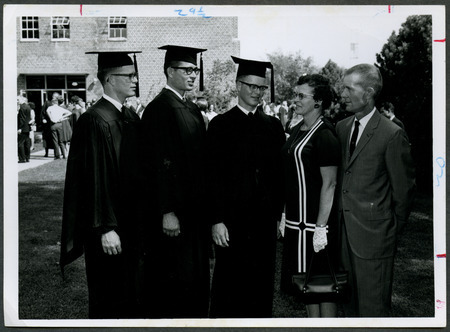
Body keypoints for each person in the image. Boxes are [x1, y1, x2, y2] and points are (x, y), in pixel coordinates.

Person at [60, 50, 143, 318]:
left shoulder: (130, 116)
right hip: (108, 230)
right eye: (129, 76)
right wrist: (105, 227)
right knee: (109, 298)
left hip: (131, 225)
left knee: (132, 295)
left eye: (134, 75)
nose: (135, 80)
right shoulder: (93, 120)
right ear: (109, 79)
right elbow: (92, 180)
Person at [207, 56, 285, 318]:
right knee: (229, 285)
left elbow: (278, 175)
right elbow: (213, 177)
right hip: (232, 222)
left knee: (261, 286)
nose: (256, 92)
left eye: (261, 88)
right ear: (238, 85)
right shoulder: (220, 125)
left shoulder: (273, 126)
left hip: (263, 221)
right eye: (251, 86)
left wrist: (278, 215)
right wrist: (216, 220)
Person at [336, 64, 415, 317]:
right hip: (343, 238)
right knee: (347, 308)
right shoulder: (342, 128)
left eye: (349, 88)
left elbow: (403, 192)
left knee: (373, 310)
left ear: (368, 92)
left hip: (375, 241)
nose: (343, 94)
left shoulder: (392, 135)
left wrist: (389, 230)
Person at [140, 45, 210, 318]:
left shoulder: (190, 108)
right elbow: (157, 164)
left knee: (194, 281)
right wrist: (167, 210)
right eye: (187, 70)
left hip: (193, 214)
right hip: (174, 216)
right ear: (170, 71)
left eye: (195, 70)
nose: (193, 75)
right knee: (174, 282)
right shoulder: (159, 109)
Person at [279, 74, 340, 318]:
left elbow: (330, 184)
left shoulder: (325, 134)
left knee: (322, 288)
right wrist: (285, 213)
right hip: (296, 225)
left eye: (301, 96)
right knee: (306, 286)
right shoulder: (297, 130)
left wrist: (321, 228)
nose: (295, 100)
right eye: (296, 94)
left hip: (315, 228)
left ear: (319, 102)